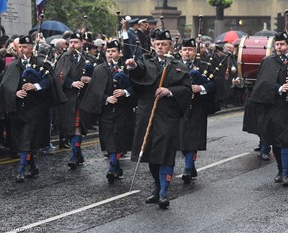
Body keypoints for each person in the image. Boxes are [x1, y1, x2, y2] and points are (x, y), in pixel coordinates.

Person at [125, 30, 191, 209]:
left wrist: (169, 91)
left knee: (166, 153)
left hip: (168, 115)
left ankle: (164, 193)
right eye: (158, 44)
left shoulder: (178, 65)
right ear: (153, 45)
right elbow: (139, 73)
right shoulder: (146, 61)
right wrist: (132, 66)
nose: (160, 47)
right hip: (148, 113)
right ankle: (157, 186)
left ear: (170, 46)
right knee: (151, 153)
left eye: (164, 44)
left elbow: (187, 89)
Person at [0, 35, 65, 182]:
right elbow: (2, 84)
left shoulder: (42, 63)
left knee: (26, 138)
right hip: (18, 110)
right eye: (20, 47)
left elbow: (50, 81)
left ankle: (20, 170)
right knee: (23, 139)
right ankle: (33, 167)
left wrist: (36, 86)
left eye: (24, 47)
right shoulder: (11, 65)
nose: (21, 49)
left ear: (32, 48)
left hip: (35, 109)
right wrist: (14, 93)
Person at [248, 31, 288, 186]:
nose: (279, 47)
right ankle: (280, 168)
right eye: (277, 44)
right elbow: (263, 83)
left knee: (287, 139)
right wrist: (278, 88)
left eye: (282, 44)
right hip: (273, 106)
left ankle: (285, 174)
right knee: (275, 140)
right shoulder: (268, 60)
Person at [81, 40, 136, 183]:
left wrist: (125, 92)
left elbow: (136, 88)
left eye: (113, 51)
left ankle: (113, 167)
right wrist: (106, 98)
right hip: (106, 110)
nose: (110, 54)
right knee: (109, 139)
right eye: (108, 51)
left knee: (118, 139)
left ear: (120, 53)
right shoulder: (99, 69)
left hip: (123, 110)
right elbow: (94, 91)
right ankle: (115, 167)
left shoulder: (127, 68)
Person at [178, 38, 220, 184]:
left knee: (193, 138)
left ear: (195, 52)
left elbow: (214, 84)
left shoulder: (203, 66)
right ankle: (191, 165)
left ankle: (188, 169)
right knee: (181, 137)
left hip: (197, 107)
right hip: (179, 107)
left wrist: (201, 88)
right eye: (185, 50)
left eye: (190, 50)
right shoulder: (175, 66)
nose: (187, 52)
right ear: (180, 52)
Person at [54, 32, 95, 169]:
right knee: (71, 129)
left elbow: (98, 76)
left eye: (75, 42)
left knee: (78, 128)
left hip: (83, 99)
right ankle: (78, 154)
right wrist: (72, 83)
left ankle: (73, 156)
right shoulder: (65, 57)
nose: (72, 45)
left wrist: (89, 80)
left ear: (81, 44)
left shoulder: (88, 59)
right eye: (70, 42)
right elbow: (58, 76)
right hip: (68, 98)